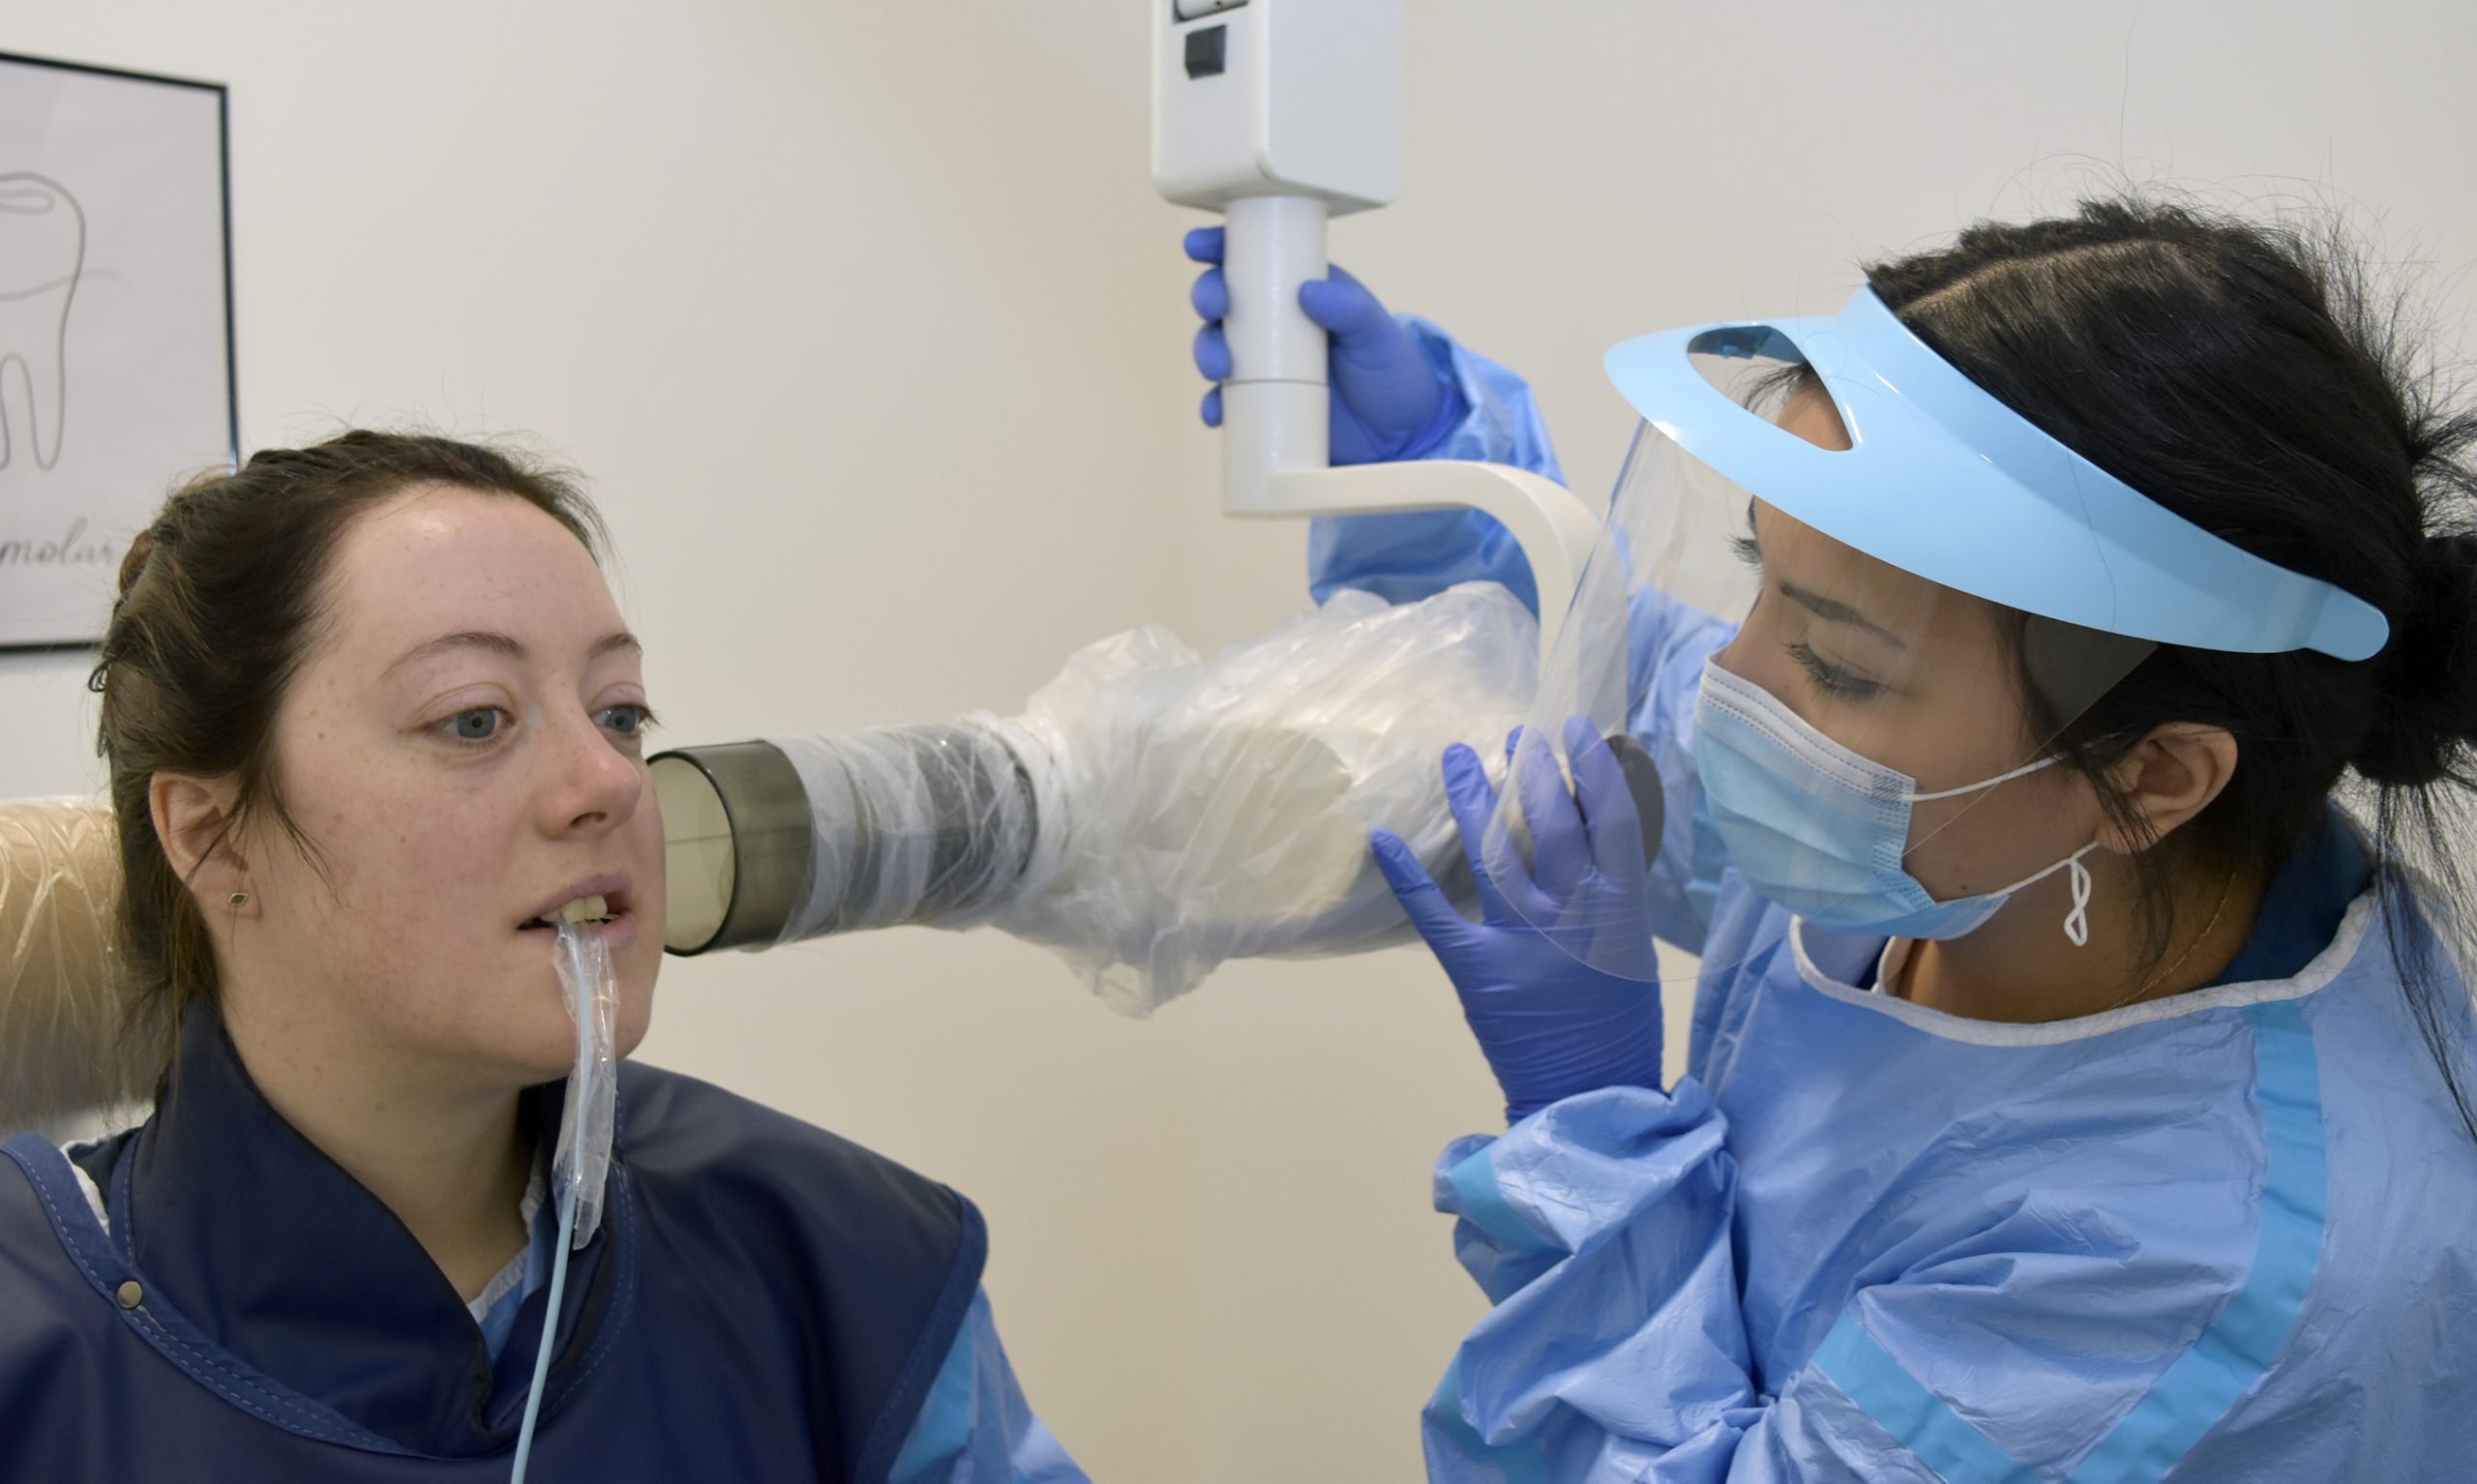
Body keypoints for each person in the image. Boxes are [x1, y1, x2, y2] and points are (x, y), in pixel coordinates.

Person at [1196, 199, 2477, 1479]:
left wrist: (1586, 1126)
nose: (1728, 685)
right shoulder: (1967, 839)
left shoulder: (2198, 1268)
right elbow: (1625, 687)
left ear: (2153, 777)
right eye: (1763, 578)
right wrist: (1443, 491)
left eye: (1836, 660)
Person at [0, 432, 1085, 1483]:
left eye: (619, 712)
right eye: (475, 719)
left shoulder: (842, 1271)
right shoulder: (34, 1345)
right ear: (214, 836)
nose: (610, 782)